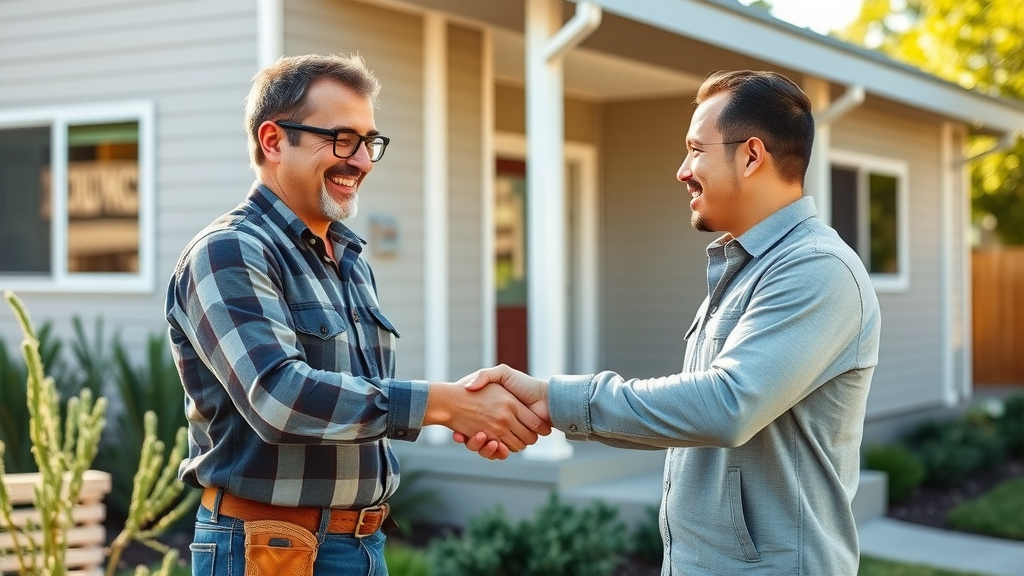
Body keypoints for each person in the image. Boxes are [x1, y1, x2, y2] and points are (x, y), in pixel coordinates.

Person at [458, 70, 881, 575]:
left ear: (750, 155)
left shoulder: (816, 270)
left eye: (696, 150)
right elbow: (695, 410)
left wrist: (553, 399)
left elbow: (726, 405)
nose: (682, 170)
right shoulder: (746, 269)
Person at [165, 53, 548, 576]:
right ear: (274, 141)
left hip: (360, 543)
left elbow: (357, 408)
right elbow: (280, 397)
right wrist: (445, 405)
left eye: (370, 142)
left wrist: (466, 413)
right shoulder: (230, 250)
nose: (363, 161)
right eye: (342, 140)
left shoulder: (348, 259)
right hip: (266, 547)